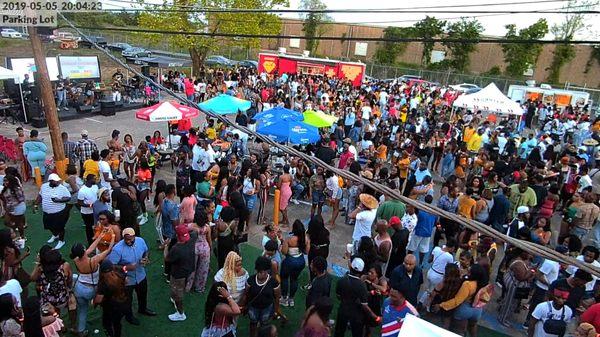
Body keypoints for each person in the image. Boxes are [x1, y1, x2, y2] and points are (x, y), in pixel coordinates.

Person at [108, 228, 155, 325]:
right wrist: (126, 267)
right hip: (127, 280)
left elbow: (146, 251)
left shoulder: (140, 241)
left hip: (141, 275)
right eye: (126, 239)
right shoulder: (117, 249)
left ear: (134, 236)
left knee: (143, 294)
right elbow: (111, 266)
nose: (129, 241)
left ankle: (142, 309)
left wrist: (145, 258)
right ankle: (129, 317)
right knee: (127, 300)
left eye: (131, 239)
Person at [70, 232, 115, 336]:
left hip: (79, 288)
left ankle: (81, 330)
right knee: (104, 304)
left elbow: (90, 248)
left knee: (82, 309)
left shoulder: (76, 259)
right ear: (83, 251)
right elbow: (108, 250)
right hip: (91, 289)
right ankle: (107, 321)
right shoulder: (94, 260)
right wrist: (112, 237)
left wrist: (100, 237)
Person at [433, 264, 489, 337]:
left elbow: (457, 301)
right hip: (477, 311)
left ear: (474, 274)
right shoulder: (484, 284)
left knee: (458, 332)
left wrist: (441, 305)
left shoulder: (467, 284)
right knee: (472, 328)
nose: (467, 271)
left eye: (469, 272)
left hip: (465, 310)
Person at [30, 246, 76, 332]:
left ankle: (60, 327)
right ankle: (73, 326)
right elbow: (70, 280)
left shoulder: (41, 269)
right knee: (72, 302)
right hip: (63, 297)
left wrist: (39, 263)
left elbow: (32, 278)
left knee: (54, 313)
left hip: (48, 300)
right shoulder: (65, 266)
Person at [334, 256, 379, 337]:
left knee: (339, 332)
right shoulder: (362, 286)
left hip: (343, 310)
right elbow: (364, 305)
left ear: (351, 266)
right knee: (357, 334)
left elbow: (338, 296)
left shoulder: (342, 281)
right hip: (356, 315)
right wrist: (375, 317)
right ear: (361, 271)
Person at [164, 224, 196, 321]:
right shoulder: (192, 239)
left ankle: (180, 314)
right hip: (189, 270)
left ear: (177, 236)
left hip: (178, 274)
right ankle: (175, 300)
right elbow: (194, 230)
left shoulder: (176, 248)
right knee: (180, 290)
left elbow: (167, 258)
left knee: (177, 294)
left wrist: (166, 246)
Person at [243, 256, 281, 337]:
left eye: (264, 271)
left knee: (264, 325)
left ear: (268, 270)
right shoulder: (250, 280)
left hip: (267, 308)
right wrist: (244, 306)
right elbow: (246, 294)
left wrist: (276, 310)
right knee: (253, 323)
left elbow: (277, 297)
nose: (262, 274)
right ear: (257, 269)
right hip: (253, 308)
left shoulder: (274, 283)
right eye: (260, 271)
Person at [94, 260, 128, 337]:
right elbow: (126, 281)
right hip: (122, 303)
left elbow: (99, 299)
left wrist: (94, 301)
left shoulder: (103, 283)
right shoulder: (120, 272)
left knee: (106, 324)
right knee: (117, 324)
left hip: (110, 307)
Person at [36, 174, 71, 250]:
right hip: (47, 212)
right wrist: (35, 204)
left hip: (59, 212)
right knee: (48, 226)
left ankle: (61, 241)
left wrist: (59, 200)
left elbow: (68, 198)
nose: (58, 182)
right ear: (51, 181)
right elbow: (40, 196)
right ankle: (55, 235)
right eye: (56, 181)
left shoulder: (62, 188)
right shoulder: (44, 186)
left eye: (58, 180)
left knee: (60, 228)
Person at [280, 220, 309, 307]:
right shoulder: (305, 238)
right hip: (300, 261)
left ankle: (284, 298)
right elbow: (306, 251)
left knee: (284, 278)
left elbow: (284, 252)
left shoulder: (289, 239)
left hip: (289, 261)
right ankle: (291, 299)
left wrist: (282, 245)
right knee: (294, 279)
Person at [187, 202, 212, 293]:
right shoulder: (207, 228)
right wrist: (211, 248)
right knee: (203, 269)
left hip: (193, 248)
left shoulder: (191, 227)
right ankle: (199, 287)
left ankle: (188, 286)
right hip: (205, 248)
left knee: (191, 268)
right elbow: (209, 240)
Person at [407, 195, 438, 264]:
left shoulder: (420, 210)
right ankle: (420, 263)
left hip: (418, 231)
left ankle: (408, 259)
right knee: (423, 249)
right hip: (428, 232)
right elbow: (435, 223)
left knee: (412, 247)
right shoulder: (434, 212)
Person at [78, 174, 99, 244]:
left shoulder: (95, 186)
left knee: (97, 226)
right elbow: (80, 203)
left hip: (95, 211)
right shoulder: (82, 190)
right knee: (89, 228)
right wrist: (90, 205)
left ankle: (97, 239)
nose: (95, 180)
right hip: (86, 213)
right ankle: (90, 242)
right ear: (89, 180)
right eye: (94, 179)